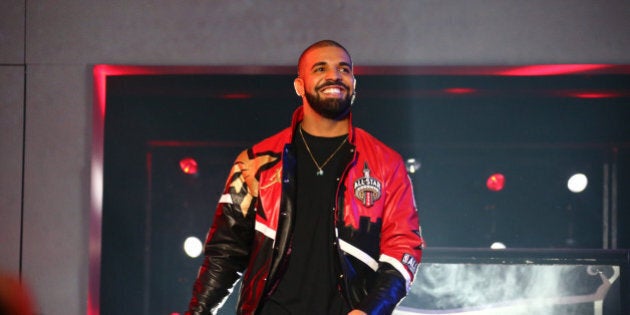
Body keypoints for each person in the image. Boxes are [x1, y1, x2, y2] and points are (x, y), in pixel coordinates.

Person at [186, 40, 424, 315]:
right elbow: (225, 252)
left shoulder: (386, 164)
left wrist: (370, 310)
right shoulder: (255, 163)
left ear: (354, 83)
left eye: (343, 69)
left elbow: (404, 250)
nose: (334, 75)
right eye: (320, 68)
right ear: (299, 85)